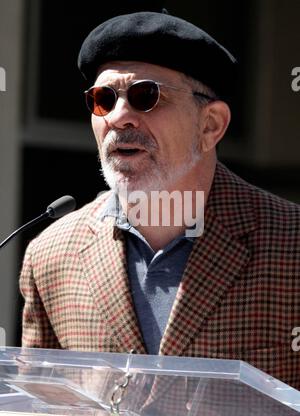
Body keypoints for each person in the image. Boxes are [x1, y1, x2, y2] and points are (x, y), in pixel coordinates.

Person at [20, 11, 300, 391]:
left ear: (210, 125)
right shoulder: (50, 256)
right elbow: (40, 406)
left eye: (146, 96)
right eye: (103, 99)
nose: (119, 118)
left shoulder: (291, 244)